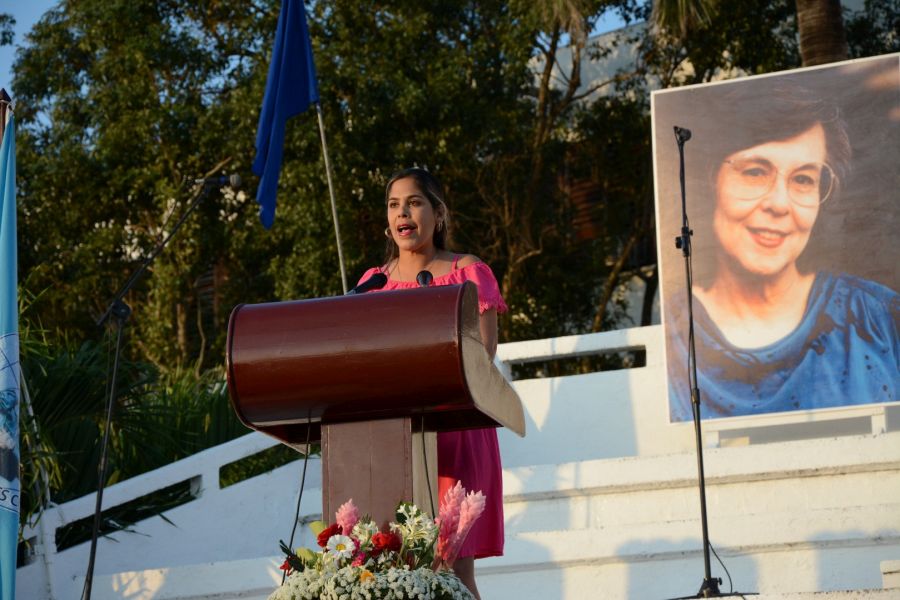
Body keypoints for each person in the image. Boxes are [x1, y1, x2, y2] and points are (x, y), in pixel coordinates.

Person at [661, 80, 899, 421]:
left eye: (803, 180)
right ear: (713, 179)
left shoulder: (878, 319)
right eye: (755, 172)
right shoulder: (673, 333)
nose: (779, 204)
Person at [355, 167, 506, 598]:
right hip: (392, 437)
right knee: (396, 566)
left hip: (454, 431)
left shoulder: (468, 272)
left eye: (414, 202)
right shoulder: (372, 283)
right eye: (393, 204)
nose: (403, 213)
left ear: (438, 214)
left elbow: (483, 355)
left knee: (453, 568)